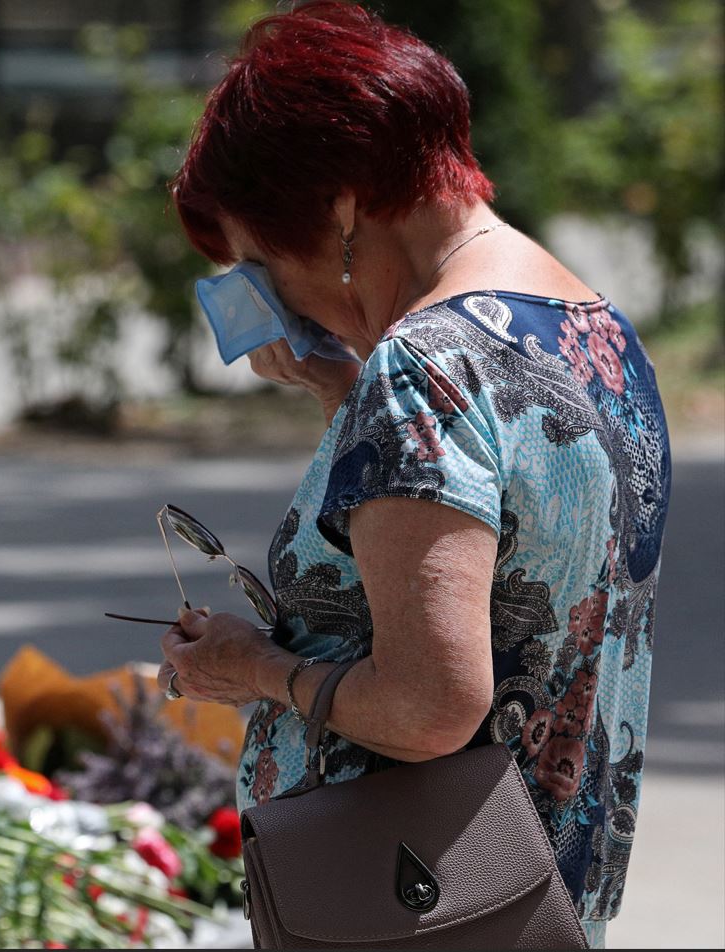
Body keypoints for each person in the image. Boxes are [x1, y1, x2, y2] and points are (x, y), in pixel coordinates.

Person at [157, 3, 671, 946]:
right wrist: (345, 403)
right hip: (540, 901)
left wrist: (256, 669)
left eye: (264, 265)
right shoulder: (587, 323)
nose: (272, 303)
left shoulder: (424, 369)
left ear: (343, 209)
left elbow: (431, 707)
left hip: (412, 907)